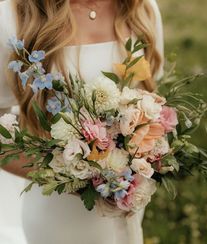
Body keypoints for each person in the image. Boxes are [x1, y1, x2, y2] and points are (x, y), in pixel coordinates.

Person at [0, 0, 164, 243]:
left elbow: (152, 102)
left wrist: (150, 152)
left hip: (125, 203)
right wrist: (78, 177)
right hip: (57, 215)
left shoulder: (141, 8)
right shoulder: (13, 14)